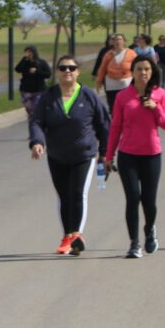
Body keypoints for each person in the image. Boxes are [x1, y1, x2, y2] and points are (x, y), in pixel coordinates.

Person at [28, 55, 110, 256]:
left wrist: (105, 153)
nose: (67, 71)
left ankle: (76, 235)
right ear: (57, 72)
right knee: (63, 195)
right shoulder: (48, 97)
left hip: (84, 153)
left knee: (77, 192)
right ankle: (67, 236)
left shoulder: (89, 95)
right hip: (57, 155)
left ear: (77, 72)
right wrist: (37, 142)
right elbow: (37, 121)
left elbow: (104, 124)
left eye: (71, 68)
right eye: (63, 68)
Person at [104, 55, 165, 258]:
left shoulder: (160, 94)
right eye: (139, 69)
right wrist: (109, 155)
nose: (143, 73)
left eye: (147, 69)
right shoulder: (123, 96)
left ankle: (150, 230)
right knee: (132, 198)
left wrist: (156, 107)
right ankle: (134, 243)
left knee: (149, 201)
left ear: (152, 72)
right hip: (128, 155)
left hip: (152, 154)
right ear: (131, 72)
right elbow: (115, 127)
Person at [96, 33, 137, 113]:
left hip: (126, 84)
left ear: (124, 41)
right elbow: (102, 68)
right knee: (113, 108)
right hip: (111, 85)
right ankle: (115, 123)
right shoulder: (108, 54)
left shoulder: (131, 53)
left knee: (126, 106)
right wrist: (99, 81)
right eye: (115, 40)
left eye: (119, 39)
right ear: (112, 42)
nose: (117, 42)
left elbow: (137, 67)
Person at [15, 45, 50, 121]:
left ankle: (35, 121)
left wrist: (37, 71)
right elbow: (17, 69)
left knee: (36, 107)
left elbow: (48, 74)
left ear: (34, 52)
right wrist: (24, 60)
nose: (28, 53)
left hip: (38, 90)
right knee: (28, 108)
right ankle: (32, 118)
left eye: (30, 52)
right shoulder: (25, 62)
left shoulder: (41, 62)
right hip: (26, 89)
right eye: (27, 52)